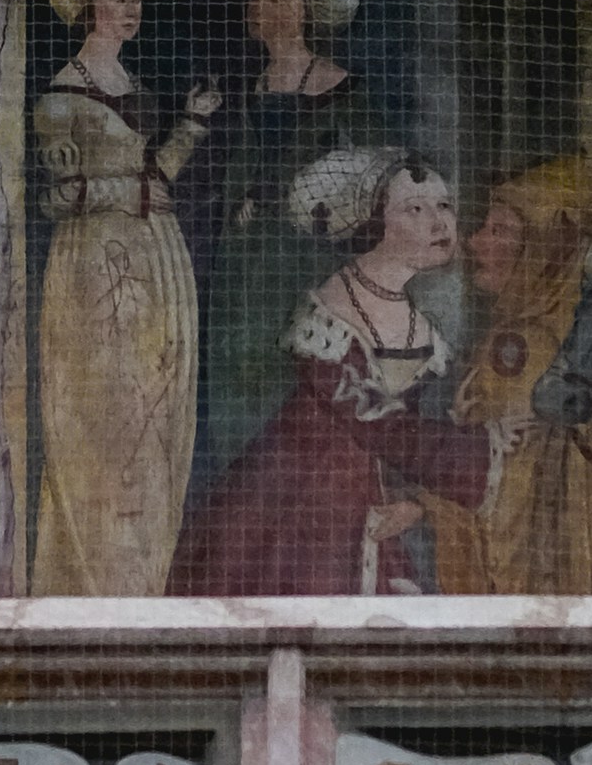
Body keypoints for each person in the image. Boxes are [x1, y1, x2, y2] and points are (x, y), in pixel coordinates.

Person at [181, 149, 498, 594]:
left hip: (372, 505)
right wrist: (488, 451)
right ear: (373, 223)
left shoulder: (422, 327)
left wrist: (416, 504)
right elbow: (374, 422)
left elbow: (415, 428)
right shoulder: (329, 312)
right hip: (298, 509)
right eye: (415, 209)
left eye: (444, 205)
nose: (439, 221)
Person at [31, 0, 216, 598]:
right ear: (90, 9)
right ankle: (96, 578)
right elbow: (61, 197)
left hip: (155, 254)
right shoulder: (58, 101)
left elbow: (154, 177)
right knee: (109, 412)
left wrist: (191, 124)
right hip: (96, 268)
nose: (131, 8)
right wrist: (131, 195)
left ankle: (146, 575)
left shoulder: (133, 87)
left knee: (158, 410)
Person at [190, 0, 368, 489]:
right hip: (243, 273)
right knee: (237, 392)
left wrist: (275, 197)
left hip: (304, 266)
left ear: (305, 12)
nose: (258, 5)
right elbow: (234, 177)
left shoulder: (342, 91)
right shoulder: (253, 87)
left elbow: (360, 181)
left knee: (296, 389)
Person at [443, 158, 592, 595]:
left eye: (498, 231)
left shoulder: (525, 344)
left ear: (546, 249)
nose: (475, 243)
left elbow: (503, 505)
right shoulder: (583, 333)